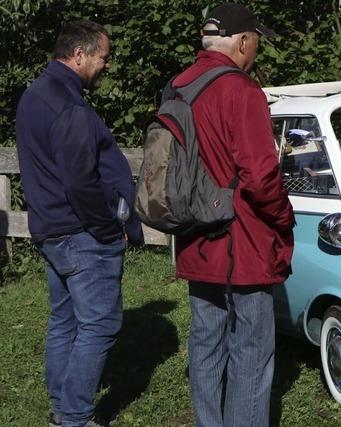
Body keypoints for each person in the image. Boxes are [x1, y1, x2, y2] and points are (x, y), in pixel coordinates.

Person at [15, 21, 143, 427]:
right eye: (103, 57)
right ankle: (72, 416)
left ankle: (61, 402)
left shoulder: (36, 94)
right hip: (81, 232)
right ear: (79, 55)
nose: (106, 66)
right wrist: (108, 227)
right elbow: (80, 181)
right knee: (100, 324)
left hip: (51, 227)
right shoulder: (67, 105)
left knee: (65, 319)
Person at [172, 3, 294, 426]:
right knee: (252, 348)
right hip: (242, 243)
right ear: (243, 42)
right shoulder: (241, 91)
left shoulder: (179, 86)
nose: (256, 53)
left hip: (194, 235)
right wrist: (283, 218)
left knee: (206, 340)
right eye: (256, 43)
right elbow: (260, 177)